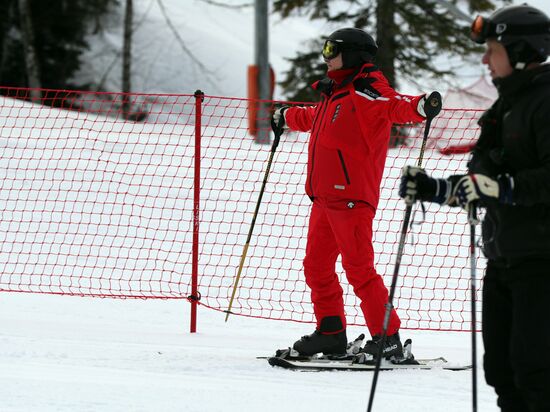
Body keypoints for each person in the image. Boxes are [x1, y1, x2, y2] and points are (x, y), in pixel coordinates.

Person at [399, 4, 550, 411]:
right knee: (503, 372)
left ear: (521, 50)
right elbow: (480, 185)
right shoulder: (503, 108)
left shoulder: (544, 102)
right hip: (504, 261)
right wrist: (433, 188)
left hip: (541, 263)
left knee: (537, 373)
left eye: (494, 49)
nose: (485, 58)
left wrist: (503, 187)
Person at [272, 27, 440, 359]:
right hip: (324, 197)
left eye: (332, 49)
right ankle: (331, 332)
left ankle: (387, 336)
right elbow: (314, 117)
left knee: (359, 269)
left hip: (351, 197)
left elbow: (394, 107)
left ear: (351, 54)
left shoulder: (367, 89)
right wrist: (287, 117)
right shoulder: (335, 91)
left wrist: (420, 107)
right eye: (325, 48)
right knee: (316, 266)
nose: (326, 56)